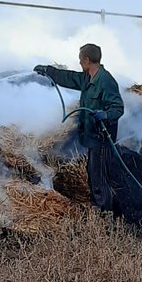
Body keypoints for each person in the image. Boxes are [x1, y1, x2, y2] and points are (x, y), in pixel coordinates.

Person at [34, 44, 124, 213]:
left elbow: (118, 108)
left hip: (102, 140)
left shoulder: (105, 81)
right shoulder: (88, 78)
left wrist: (105, 114)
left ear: (87, 60)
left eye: (81, 60)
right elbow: (69, 77)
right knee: (94, 175)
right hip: (93, 138)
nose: (80, 63)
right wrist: (48, 71)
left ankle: (105, 215)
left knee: (99, 179)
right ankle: (101, 209)